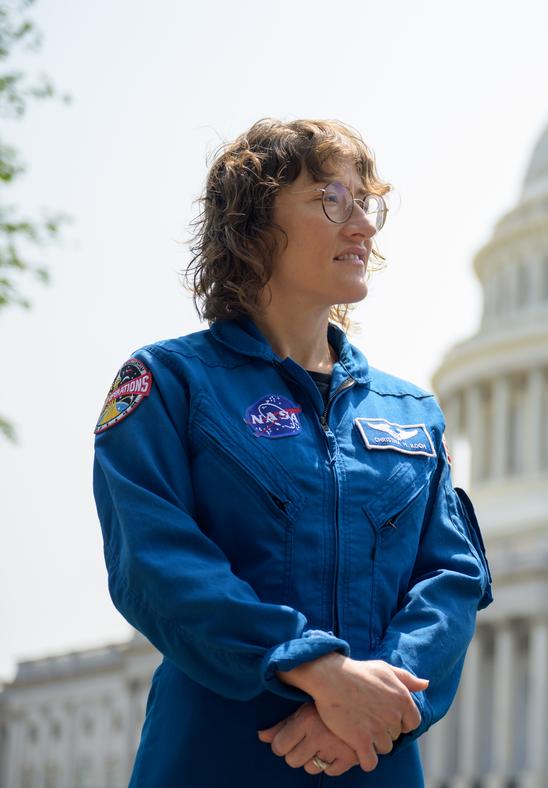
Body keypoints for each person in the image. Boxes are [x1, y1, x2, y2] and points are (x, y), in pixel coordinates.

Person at [92, 118, 492, 786]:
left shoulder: (411, 413)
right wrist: (316, 670)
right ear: (251, 227)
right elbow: (155, 562)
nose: (361, 224)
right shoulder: (168, 385)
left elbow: (450, 580)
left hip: (372, 756)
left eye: (367, 204)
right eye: (331, 200)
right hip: (216, 755)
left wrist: (375, 704)